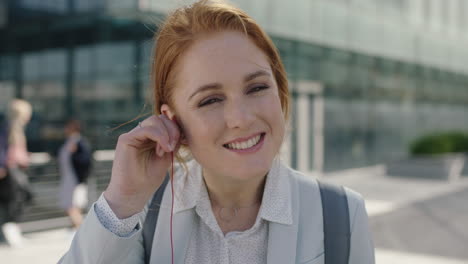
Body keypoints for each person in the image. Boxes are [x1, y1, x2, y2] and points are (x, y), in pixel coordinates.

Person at [60, 0, 375, 263]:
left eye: (257, 87)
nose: (240, 118)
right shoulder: (138, 215)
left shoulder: (343, 215)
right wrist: (122, 202)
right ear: (173, 121)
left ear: (279, 91)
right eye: (210, 100)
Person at [0, 99, 33, 248]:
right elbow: (2, 149)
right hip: (11, 169)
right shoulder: (8, 128)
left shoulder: (18, 129)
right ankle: (10, 229)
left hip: (17, 169)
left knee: (20, 198)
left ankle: (12, 229)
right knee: (16, 199)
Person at [57, 119, 92, 230]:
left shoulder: (80, 142)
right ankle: (76, 227)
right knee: (72, 204)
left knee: (73, 204)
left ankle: (80, 227)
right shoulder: (69, 141)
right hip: (68, 177)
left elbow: (86, 160)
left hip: (76, 179)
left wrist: (74, 154)